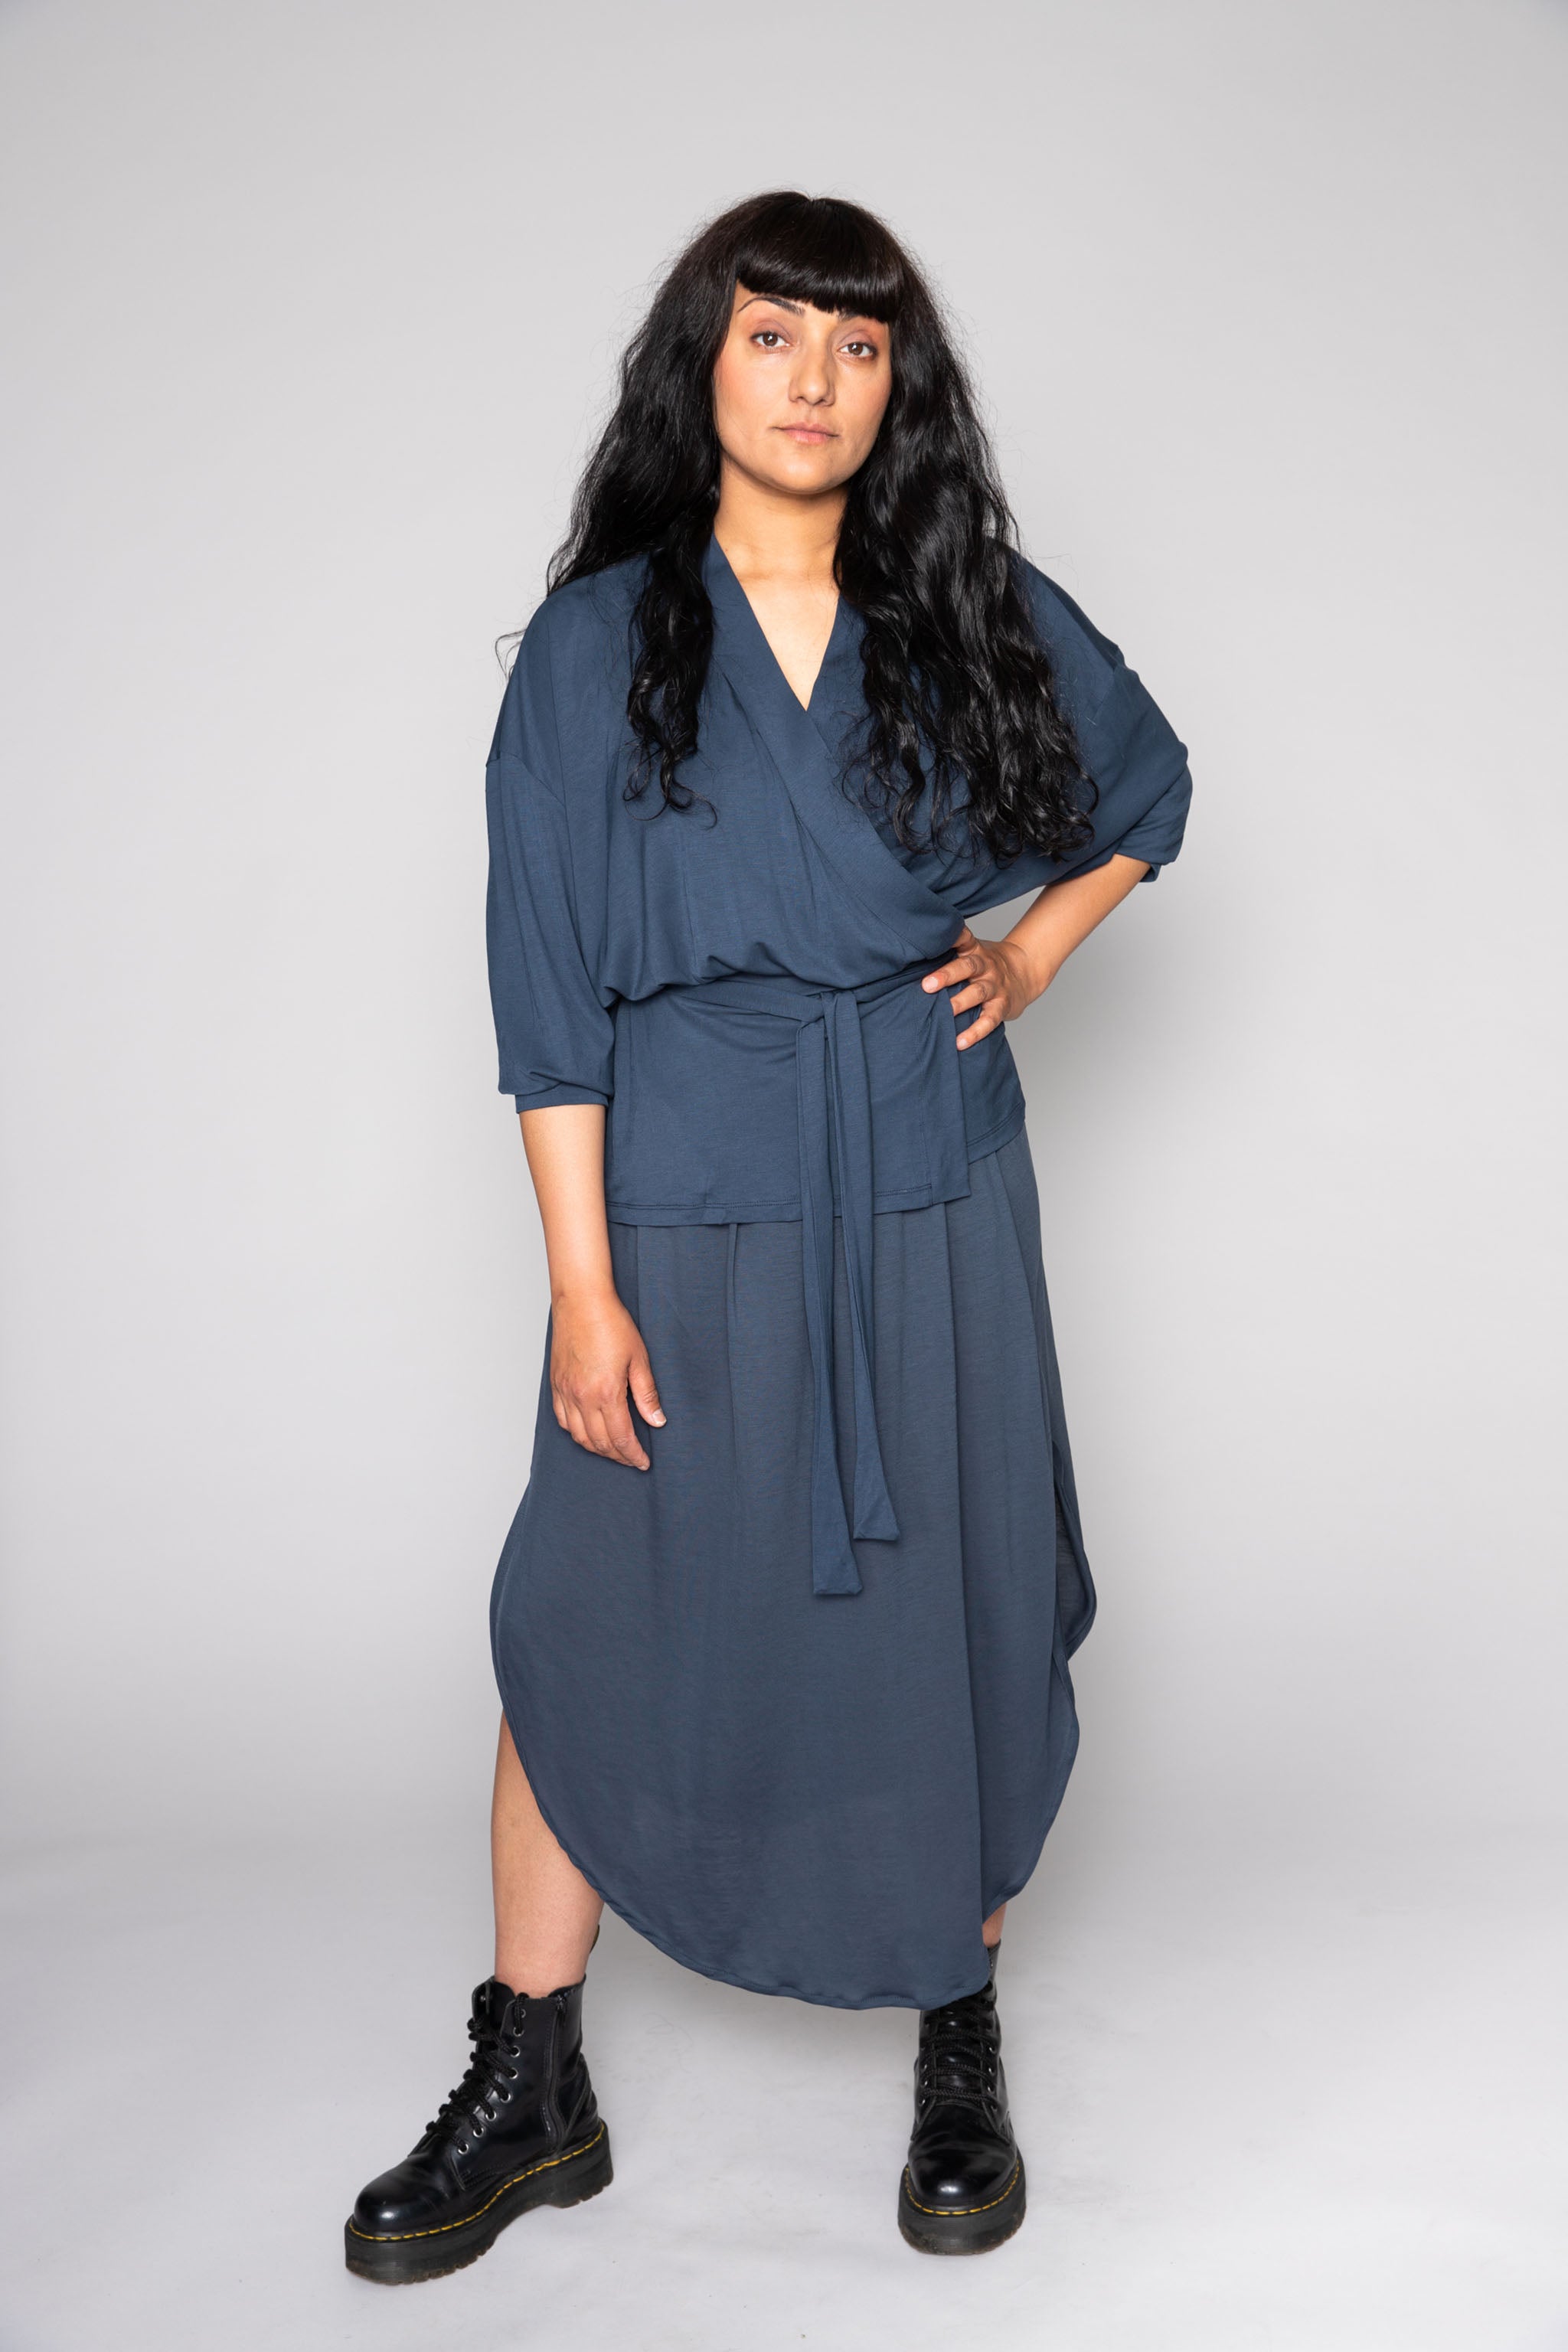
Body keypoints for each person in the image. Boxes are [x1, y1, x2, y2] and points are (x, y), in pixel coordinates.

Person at [345, 190, 1191, 2282]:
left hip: (930, 1180)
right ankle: (531, 2075)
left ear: (900, 386)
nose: (815, 381)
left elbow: (1147, 787)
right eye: (774, 337)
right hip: (686, 1190)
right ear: (702, 369)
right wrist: (578, 1283)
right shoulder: (595, 643)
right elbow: (547, 994)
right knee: (593, 1610)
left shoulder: (966, 606)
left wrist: (1041, 952)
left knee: (952, 1600)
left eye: (859, 345)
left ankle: (956, 2022)